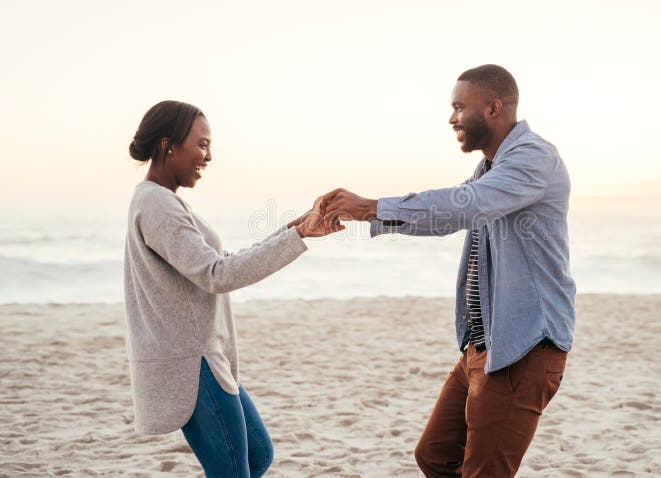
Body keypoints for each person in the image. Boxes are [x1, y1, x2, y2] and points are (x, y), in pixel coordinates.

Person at [323, 64, 576, 477]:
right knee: (436, 456)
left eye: (460, 107)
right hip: (483, 345)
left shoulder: (533, 159)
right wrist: (365, 216)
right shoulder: (491, 167)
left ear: (493, 108)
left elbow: (466, 204)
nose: (451, 118)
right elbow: (447, 216)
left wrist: (372, 205)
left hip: (524, 348)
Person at [124, 100, 342, 477]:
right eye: (202, 144)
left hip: (208, 357)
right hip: (192, 364)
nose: (208, 156)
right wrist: (298, 235)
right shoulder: (158, 205)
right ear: (168, 145)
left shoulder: (165, 201)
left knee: (257, 457)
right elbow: (218, 273)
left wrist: (296, 229)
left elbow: (220, 261)